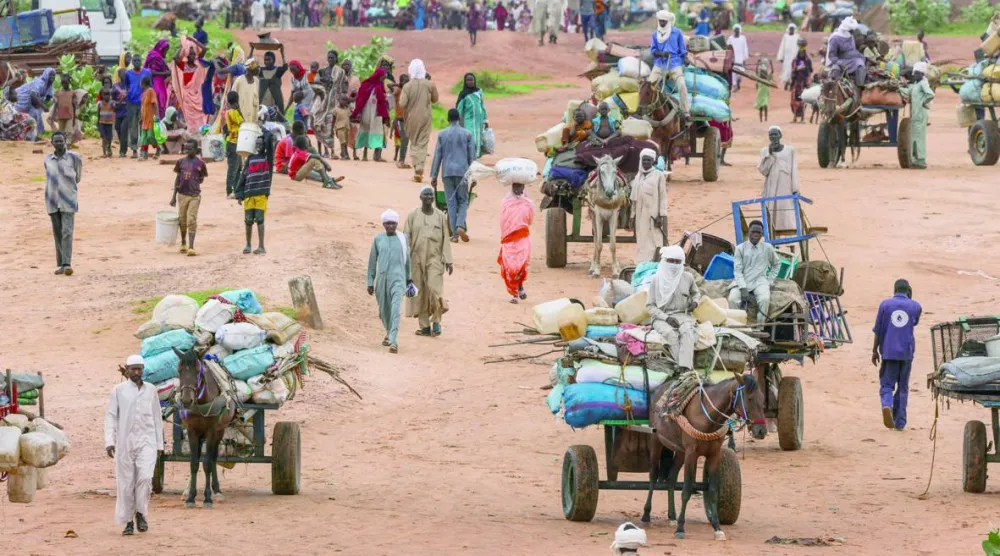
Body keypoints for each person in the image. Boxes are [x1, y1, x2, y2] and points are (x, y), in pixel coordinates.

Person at [105, 355, 163, 536]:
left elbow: (157, 417)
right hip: (125, 443)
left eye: (139, 369)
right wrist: (109, 441)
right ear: (127, 370)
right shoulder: (118, 390)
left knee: (145, 479)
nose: (137, 372)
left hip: (148, 442)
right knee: (126, 483)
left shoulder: (151, 390)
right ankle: (128, 521)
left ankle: (141, 513)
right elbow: (111, 416)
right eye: (133, 369)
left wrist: (159, 445)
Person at [404, 186, 454, 337]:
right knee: (420, 293)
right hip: (416, 258)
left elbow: (446, 238)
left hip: (435, 258)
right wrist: (404, 260)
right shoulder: (412, 215)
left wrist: (448, 260)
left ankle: (437, 321)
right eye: (425, 195)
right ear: (420, 197)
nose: (428, 198)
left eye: (431, 195)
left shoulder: (439, 216)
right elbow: (406, 238)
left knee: (435, 290)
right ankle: (424, 326)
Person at [872, 279, 921, 431]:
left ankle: (887, 404)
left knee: (887, 384)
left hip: (889, 351)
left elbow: (878, 330)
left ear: (894, 290)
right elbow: (914, 323)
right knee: (903, 387)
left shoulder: (885, 305)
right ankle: (900, 422)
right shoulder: (916, 306)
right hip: (906, 352)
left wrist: (874, 350)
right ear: (908, 290)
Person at [646, 245, 700, 372]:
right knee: (671, 335)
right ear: (664, 261)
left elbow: (696, 293)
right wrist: (666, 318)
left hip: (683, 316)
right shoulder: (656, 280)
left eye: (678, 262)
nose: (674, 265)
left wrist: (695, 302)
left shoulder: (688, 277)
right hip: (662, 318)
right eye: (671, 261)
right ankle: (682, 369)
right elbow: (650, 306)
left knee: (687, 332)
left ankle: (685, 368)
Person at [367, 209, 415, 353]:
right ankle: (388, 333)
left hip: (398, 279)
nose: (390, 226)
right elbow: (372, 261)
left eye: (393, 223)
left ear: (396, 223)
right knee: (383, 311)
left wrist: (409, 279)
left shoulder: (402, 239)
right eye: (387, 223)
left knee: (395, 309)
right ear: (383, 224)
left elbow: (407, 261)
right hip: (381, 280)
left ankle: (394, 341)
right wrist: (370, 281)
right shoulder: (378, 239)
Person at [430, 109, 476, 242]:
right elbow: (471, 157)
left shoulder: (442, 134)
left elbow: (438, 155)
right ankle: (460, 225)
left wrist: (434, 175)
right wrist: (473, 176)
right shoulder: (467, 134)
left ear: (448, 119)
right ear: (459, 118)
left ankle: (454, 235)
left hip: (447, 172)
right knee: (463, 201)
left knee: (451, 203)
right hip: (463, 172)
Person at [44, 131, 82, 276]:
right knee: (58, 233)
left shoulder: (74, 157)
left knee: (67, 231)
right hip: (52, 200)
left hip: (68, 200)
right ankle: (61, 264)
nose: (59, 143)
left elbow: (77, 177)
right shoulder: (48, 159)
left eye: (61, 141)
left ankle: (67, 263)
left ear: (65, 141)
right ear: (52, 143)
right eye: (56, 141)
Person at [727, 220, 778, 323]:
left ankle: (759, 328)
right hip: (742, 280)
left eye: (758, 232)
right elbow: (737, 271)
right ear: (748, 232)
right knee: (732, 299)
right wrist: (743, 287)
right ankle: (738, 327)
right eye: (753, 232)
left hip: (760, 281)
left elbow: (777, 264)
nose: (755, 234)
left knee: (764, 300)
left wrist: (770, 280)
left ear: (762, 234)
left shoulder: (767, 248)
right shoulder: (740, 248)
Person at [399, 59, 439, 181]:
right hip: (425, 117)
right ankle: (419, 168)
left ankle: (417, 166)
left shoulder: (407, 86)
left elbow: (402, 103)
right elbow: (435, 99)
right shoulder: (429, 84)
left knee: (414, 142)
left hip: (411, 118)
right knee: (422, 143)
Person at [235, 133, 274, 254]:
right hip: (248, 193)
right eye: (257, 144)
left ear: (265, 146)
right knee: (248, 220)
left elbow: (270, 141)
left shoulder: (268, 158)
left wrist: (263, 133)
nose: (258, 146)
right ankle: (248, 245)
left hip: (261, 193)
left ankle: (261, 246)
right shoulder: (250, 158)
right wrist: (239, 193)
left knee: (260, 219)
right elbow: (243, 175)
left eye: (261, 144)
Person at [168, 138, 207, 256]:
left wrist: (194, 184)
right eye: (186, 149)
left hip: (194, 196)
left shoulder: (200, 163)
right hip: (182, 195)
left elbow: (201, 178)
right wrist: (174, 196)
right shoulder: (180, 162)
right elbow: (177, 179)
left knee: (191, 219)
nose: (187, 151)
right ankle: (183, 242)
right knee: (182, 220)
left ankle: (191, 246)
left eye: (190, 149)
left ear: (196, 150)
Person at [758, 126, 800, 236]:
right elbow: (763, 171)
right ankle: (773, 242)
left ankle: (791, 245)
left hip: (786, 188)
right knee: (771, 215)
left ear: (780, 135)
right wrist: (770, 154)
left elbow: (794, 170)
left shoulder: (790, 150)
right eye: (771, 135)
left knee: (787, 215)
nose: (773, 137)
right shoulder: (764, 152)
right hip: (770, 189)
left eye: (775, 134)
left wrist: (795, 189)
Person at [648, 11, 690, 120]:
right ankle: (646, 110)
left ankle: (686, 112)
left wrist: (685, 59)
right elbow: (653, 51)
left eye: (664, 21)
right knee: (649, 85)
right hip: (659, 65)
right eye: (660, 21)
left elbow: (683, 50)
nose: (661, 23)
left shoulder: (677, 33)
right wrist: (662, 54)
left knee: (682, 85)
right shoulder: (655, 34)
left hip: (674, 64)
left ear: (668, 22)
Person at [629, 148, 667, 263]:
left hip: (654, 214)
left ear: (652, 161)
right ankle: (642, 262)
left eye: (648, 160)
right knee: (642, 238)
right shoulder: (638, 176)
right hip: (640, 215)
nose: (646, 163)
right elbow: (634, 200)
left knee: (654, 238)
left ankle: (654, 261)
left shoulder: (658, 175)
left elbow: (663, 196)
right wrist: (632, 215)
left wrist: (661, 215)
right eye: (644, 160)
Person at [498, 181, 534, 303]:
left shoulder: (528, 204)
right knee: (510, 267)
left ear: (524, 187)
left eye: (520, 186)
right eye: (515, 186)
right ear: (512, 187)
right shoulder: (506, 203)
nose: (518, 189)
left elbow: (529, 220)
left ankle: (520, 288)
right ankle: (514, 294)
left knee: (520, 266)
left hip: (522, 238)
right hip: (509, 239)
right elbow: (503, 221)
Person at [352, 66, 391, 162]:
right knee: (370, 131)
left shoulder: (376, 85)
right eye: (383, 77)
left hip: (375, 113)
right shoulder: (369, 85)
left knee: (375, 132)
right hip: (369, 112)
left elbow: (382, 101)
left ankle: (375, 156)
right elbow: (360, 100)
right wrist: (357, 112)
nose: (383, 79)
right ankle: (366, 155)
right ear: (378, 76)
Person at [173, 37, 211, 133]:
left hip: (198, 96)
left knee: (201, 115)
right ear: (187, 56)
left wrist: (194, 41)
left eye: (194, 54)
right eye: (191, 54)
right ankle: (192, 136)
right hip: (187, 97)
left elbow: (205, 49)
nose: (193, 56)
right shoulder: (184, 66)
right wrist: (183, 45)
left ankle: (200, 135)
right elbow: (175, 58)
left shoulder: (199, 64)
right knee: (190, 119)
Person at [903, 61, 934, 169]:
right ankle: (915, 160)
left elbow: (930, 94)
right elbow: (906, 91)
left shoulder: (923, 84)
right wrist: (896, 88)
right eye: (914, 73)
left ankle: (921, 161)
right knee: (914, 138)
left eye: (917, 74)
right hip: (915, 115)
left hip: (920, 114)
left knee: (919, 138)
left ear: (922, 75)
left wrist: (924, 103)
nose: (914, 75)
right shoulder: (915, 85)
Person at [123, 56, 152, 158]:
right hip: (131, 103)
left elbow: (150, 87)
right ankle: (134, 149)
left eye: (138, 60)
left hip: (144, 103)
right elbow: (126, 86)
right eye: (134, 60)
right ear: (132, 62)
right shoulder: (128, 74)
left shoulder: (147, 73)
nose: (136, 62)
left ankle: (144, 149)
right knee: (133, 126)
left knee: (145, 126)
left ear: (141, 61)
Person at [15, 67, 55, 139]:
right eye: (50, 75)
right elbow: (33, 95)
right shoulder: (39, 82)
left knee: (36, 115)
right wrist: (43, 106)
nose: (52, 77)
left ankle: (36, 135)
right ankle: (32, 135)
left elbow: (49, 97)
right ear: (46, 75)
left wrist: (46, 105)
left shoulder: (49, 85)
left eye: (53, 75)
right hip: (21, 98)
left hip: (32, 102)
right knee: (24, 117)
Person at [826, 16, 865, 87]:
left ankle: (860, 86)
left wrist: (860, 56)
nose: (853, 32)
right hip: (839, 61)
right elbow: (832, 56)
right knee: (835, 70)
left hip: (851, 60)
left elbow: (852, 50)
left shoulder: (850, 36)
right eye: (851, 31)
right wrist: (840, 62)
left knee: (860, 64)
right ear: (846, 30)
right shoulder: (835, 39)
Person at [456, 72, 487, 158]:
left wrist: (485, 120)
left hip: (479, 121)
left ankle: (476, 158)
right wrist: (456, 121)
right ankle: (470, 158)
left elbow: (482, 106)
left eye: (472, 80)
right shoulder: (463, 94)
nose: (470, 82)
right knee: (471, 139)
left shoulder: (479, 91)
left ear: (474, 80)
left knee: (479, 140)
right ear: (465, 81)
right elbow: (459, 108)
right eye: (468, 80)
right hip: (469, 120)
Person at [144, 39, 171, 119]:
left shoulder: (156, 56)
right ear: (161, 49)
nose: (166, 53)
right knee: (158, 105)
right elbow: (151, 72)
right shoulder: (155, 57)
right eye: (165, 50)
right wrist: (165, 73)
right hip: (156, 85)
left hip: (158, 84)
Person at [224, 91, 244, 197]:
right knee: (233, 167)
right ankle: (230, 190)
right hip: (234, 142)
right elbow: (242, 123)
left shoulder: (228, 112)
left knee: (238, 167)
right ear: (237, 101)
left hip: (234, 142)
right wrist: (239, 109)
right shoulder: (234, 112)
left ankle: (235, 189)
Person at [258, 49, 288, 118]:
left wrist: (282, 53)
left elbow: (285, 67)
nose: (266, 62)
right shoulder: (260, 71)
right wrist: (252, 49)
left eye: (268, 60)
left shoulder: (278, 71)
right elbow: (250, 66)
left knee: (275, 117)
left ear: (273, 60)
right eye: (265, 60)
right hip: (263, 100)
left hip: (275, 101)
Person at [232, 59, 261, 128]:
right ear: (251, 69)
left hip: (252, 118)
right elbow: (232, 99)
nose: (259, 70)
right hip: (240, 117)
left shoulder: (257, 81)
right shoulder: (239, 81)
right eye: (257, 67)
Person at [138, 76, 160, 160]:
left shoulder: (151, 91)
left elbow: (155, 104)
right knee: (144, 138)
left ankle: (158, 148)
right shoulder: (143, 94)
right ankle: (144, 154)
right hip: (145, 119)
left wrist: (157, 115)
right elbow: (142, 107)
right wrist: (141, 118)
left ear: (143, 83)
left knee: (150, 136)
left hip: (151, 118)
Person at [790, 44, 812, 123]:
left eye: (803, 53)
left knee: (804, 100)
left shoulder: (807, 60)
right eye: (800, 53)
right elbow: (793, 71)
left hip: (804, 83)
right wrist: (792, 83)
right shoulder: (795, 61)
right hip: (797, 83)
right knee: (794, 100)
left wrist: (805, 69)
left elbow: (810, 70)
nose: (801, 54)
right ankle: (795, 117)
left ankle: (802, 118)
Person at [776, 24, 800, 89]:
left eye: (793, 29)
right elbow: (782, 46)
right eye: (790, 28)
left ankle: (792, 84)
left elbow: (798, 47)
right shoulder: (785, 36)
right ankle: (786, 83)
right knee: (786, 70)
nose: (791, 30)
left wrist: (797, 56)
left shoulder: (797, 37)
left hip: (793, 57)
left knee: (792, 70)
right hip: (786, 57)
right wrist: (781, 57)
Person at [727, 24, 749, 91]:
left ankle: (736, 83)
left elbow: (745, 48)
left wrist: (745, 57)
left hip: (737, 58)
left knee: (737, 72)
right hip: (736, 59)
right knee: (736, 72)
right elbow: (727, 47)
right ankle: (736, 83)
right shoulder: (733, 38)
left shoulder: (740, 38)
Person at [97, 80, 115, 157]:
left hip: (109, 123)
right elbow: (98, 113)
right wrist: (97, 123)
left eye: (108, 95)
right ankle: (104, 153)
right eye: (105, 95)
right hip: (102, 123)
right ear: (102, 95)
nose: (106, 96)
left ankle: (109, 148)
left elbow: (115, 107)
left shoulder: (111, 103)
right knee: (104, 138)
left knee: (109, 138)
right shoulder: (99, 104)